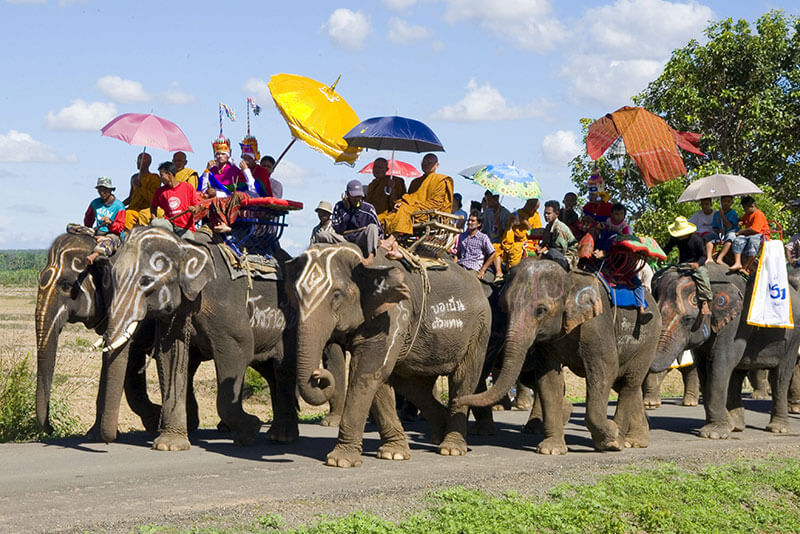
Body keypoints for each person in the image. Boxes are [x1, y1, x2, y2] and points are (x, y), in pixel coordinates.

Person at [380, 153, 454, 258]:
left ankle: (391, 240)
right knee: (388, 217)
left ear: (437, 165)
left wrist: (408, 206)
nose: (426, 164)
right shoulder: (415, 182)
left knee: (404, 210)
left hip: (427, 212)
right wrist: (401, 202)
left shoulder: (441, 180)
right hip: (412, 209)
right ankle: (395, 245)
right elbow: (410, 197)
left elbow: (436, 203)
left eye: (430, 162)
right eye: (424, 162)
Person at [663, 216, 712, 317]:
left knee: (702, 276)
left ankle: (704, 302)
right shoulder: (676, 239)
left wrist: (697, 264)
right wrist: (660, 256)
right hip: (682, 265)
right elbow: (667, 249)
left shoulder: (697, 240)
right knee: (662, 274)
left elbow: (703, 256)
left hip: (695, 265)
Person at [330, 180, 382, 261]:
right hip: (344, 239)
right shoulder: (339, 206)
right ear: (347, 194)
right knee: (323, 235)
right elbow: (338, 229)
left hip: (361, 239)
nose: (357, 199)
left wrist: (378, 239)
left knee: (373, 227)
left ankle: (370, 257)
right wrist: (346, 211)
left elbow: (379, 229)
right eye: (354, 196)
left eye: (359, 196)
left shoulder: (368, 208)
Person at [82, 177, 126, 264]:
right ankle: (97, 238)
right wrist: (88, 231)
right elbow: (88, 219)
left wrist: (110, 223)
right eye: (100, 190)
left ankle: (94, 255)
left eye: (105, 190)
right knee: (71, 228)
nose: (102, 193)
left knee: (109, 242)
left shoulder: (119, 206)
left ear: (110, 190)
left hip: (113, 234)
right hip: (97, 231)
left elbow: (120, 227)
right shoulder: (95, 203)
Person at [151, 161, 201, 237]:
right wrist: (154, 219)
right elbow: (153, 206)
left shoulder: (187, 187)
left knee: (189, 243)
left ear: (169, 174)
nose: (160, 179)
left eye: (161, 175)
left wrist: (194, 210)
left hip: (185, 228)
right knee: (155, 223)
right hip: (169, 225)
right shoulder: (160, 191)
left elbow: (197, 206)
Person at [456, 211, 501, 280]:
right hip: (461, 264)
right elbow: (458, 253)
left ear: (479, 224)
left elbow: (493, 253)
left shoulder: (483, 238)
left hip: (473, 268)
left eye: (472, 221)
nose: (469, 222)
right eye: (469, 220)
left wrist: (483, 270)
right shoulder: (462, 235)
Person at [729, 195, 768, 273]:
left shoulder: (758, 214)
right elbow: (742, 219)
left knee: (752, 241)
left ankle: (746, 266)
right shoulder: (747, 214)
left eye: (745, 208)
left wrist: (740, 232)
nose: (744, 210)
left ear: (752, 206)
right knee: (738, 240)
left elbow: (755, 229)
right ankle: (738, 262)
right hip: (748, 235)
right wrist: (740, 222)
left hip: (760, 235)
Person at [500, 198, 542, 269]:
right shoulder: (516, 214)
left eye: (536, 209)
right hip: (516, 244)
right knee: (515, 250)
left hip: (530, 244)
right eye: (534, 209)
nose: (535, 211)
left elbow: (536, 234)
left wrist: (526, 224)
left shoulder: (536, 216)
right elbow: (512, 231)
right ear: (528, 205)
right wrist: (512, 224)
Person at [124, 151, 161, 230]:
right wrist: (119, 205)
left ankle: (129, 237)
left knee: (128, 214)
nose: (138, 162)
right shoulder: (134, 177)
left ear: (148, 163)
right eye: (138, 159)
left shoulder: (154, 178)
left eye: (141, 160)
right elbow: (130, 197)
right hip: (133, 207)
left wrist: (140, 187)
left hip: (146, 209)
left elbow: (153, 198)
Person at [712, 195, 739, 264]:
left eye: (728, 201)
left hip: (731, 232)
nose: (726, 203)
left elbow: (729, 226)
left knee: (730, 236)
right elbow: (714, 227)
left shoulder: (733, 213)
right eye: (724, 201)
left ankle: (720, 257)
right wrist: (719, 230)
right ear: (721, 202)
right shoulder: (716, 214)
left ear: (731, 203)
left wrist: (722, 216)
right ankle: (708, 256)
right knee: (709, 236)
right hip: (720, 233)